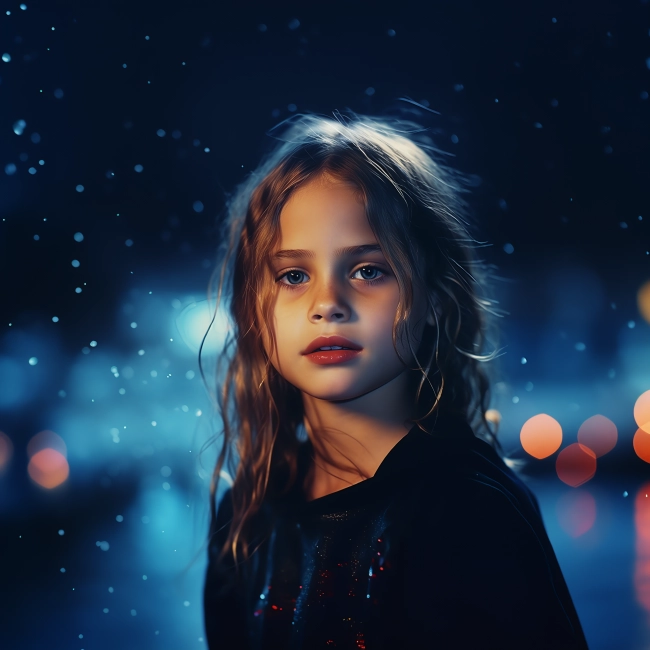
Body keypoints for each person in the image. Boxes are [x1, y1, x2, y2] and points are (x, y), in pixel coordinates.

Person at [201, 110, 589, 649]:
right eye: (293, 275)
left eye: (367, 270)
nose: (327, 305)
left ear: (433, 297)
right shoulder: (245, 519)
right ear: (253, 309)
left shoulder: (470, 511)